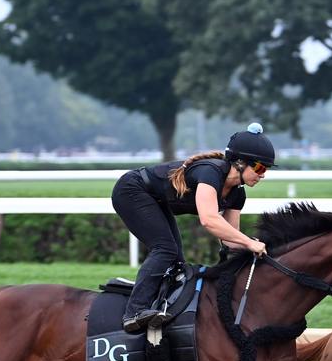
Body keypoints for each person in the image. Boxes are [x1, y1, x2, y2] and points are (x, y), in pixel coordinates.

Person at [112, 123, 274, 333]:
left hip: (156, 201)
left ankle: (161, 309)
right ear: (241, 163)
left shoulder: (237, 194)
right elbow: (209, 220)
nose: (263, 175)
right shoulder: (211, 172)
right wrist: (250, 242)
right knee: (165, 250)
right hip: (131, 190)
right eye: (260, 168)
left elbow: (229, 240)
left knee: (176, 261)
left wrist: (257, 254)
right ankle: (134, 312)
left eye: (266, 170)